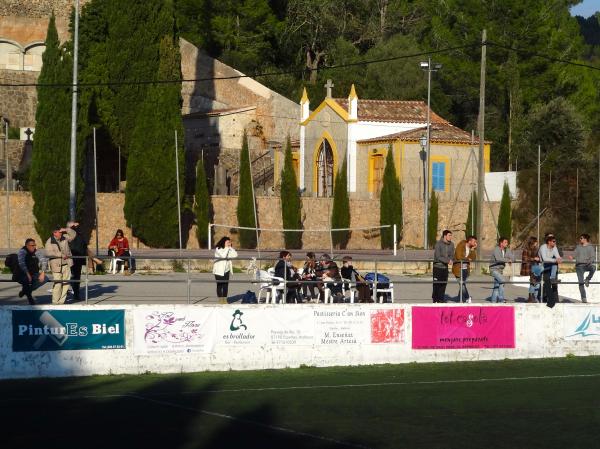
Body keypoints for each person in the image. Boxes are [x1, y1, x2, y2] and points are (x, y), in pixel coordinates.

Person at [45, 223, 77, 305]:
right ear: (54, 233)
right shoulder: (49, 241)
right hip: (56, 265)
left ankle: (61, 302)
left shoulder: (65, 237)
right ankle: (55, 302)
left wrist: (66, 229)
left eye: (61, 232)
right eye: (59, 232)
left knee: (66, 283)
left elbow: (73, 235)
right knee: (58, 284)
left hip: (66, 264)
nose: (61, 233)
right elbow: (48, 253)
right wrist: (61, 255)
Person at [16, 238, 47, 305]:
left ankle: (25, 291)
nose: (34, 247)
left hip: (34, 273)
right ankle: (30, 299)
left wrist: (42, 273)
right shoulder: (22, 251)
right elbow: (22, 264)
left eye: (34, 245)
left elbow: (44, 261)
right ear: (27, 245)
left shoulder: (36, 251)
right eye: (32, 245)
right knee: (26, 280)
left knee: (46, 278)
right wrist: (27, 274)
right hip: (23, 273)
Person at [568, 233, 595, 303]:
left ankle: (588, 279)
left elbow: (592, 257)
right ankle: (583, 298)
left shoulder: (590, 247)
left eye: (581, 238)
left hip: (587, 265)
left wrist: (589, 261)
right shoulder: (578, 247)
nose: (580, 239)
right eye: (580, 238)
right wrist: (572, 256)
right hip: (579, 266)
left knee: (593, 268)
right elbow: (575, 253)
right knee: (580, 282)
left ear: (585, 239)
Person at [452, 235, 477, 303]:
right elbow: (458, 256)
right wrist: (467, 259)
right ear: (469, 241)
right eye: (474, 241)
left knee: (462, 284)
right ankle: (467, 298)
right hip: (458, 268)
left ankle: (459, 299)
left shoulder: (471, 248)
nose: (475, 243)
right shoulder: (461, 245)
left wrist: (472, 249)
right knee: (462, 284)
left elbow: (473, 258)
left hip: (466, 269)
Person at [538, 234, 561, 308]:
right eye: (553, 241)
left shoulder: (554, 247)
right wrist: (555, 260)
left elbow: (558, 257)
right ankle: (544, 299)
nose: (555, 243)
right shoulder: (543, 247)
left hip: (549, 266)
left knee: (548, 282)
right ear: (549, 242)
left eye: (555, 241)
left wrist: (559, 259)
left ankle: (553, 278)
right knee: (545, 284)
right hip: (541, 266)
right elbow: (544, 259)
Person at [212, 236, 237, 304]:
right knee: (220, 285)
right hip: (218, 271)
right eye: (227, 242)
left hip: (226, 270)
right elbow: (223, 256)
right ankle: (220, 300)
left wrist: (231, 248)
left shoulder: (228, 249)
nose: (229, 243)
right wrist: (227, 248)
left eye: (230, 242)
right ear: (224, 242)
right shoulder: (218, 249)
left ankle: (225, 300)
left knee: (225, 285)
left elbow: (235, 255)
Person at [432, 230, 455, 303]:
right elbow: (438, 256)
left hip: (445, 268)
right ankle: (435, 299)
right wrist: (448, 261)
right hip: (437, 267)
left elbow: (452, 255)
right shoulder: (438, 244)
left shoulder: (452, 244)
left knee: (444, 284)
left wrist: (451, 260)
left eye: (451, 235)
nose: (451, 237)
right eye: (449, 235)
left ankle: (441, 299)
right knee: (436, 284)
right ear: (445, 236)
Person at [489, 237, 513, 303]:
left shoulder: (506, 250)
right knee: (502, 281)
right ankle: (501, 299)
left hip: (500, 270)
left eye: (507, 242)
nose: (507, 244)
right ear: (501, 243)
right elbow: (498, 258)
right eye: (505, 242)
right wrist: (508, 260)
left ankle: (493, 301)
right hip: (494, 269)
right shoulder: (496, 249)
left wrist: (511, 259)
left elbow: (513, 258)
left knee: (497, 286)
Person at [68, 223, 88, 302]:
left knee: (73, 277)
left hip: (73, 259)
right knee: (76, 277)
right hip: (77, 259)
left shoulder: (73, 236)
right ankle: (76, 294)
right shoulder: (80, 236)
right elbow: (85, 247)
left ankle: (75, 293)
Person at [520, 236, 541, 303]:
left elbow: (539, 257)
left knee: (537, 282)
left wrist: (538, 259)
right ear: (532, 242)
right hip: (529, 267)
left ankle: (534, 297)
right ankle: (531, 297)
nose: (537, 243)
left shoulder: (536, 249)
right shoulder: (526, 249)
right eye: (536, 242)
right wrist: (534, 258)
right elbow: (524, 259)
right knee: (533, 282)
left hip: (536, 267)